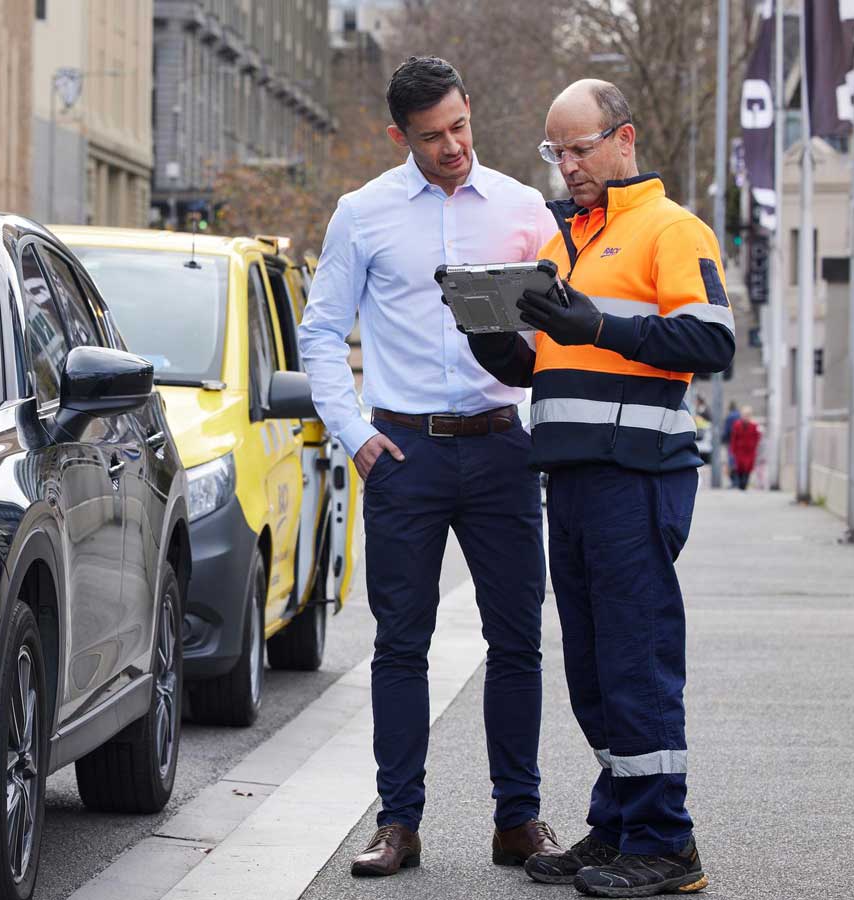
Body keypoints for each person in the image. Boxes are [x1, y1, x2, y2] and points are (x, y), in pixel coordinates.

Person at [469, 79, 734, 897]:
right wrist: (494, 345)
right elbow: (553, 364)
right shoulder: (561, 245)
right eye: (556, 151)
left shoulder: (670, 228)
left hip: (638, 477)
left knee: (635, 660)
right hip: (575, 477)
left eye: (580, 147)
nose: (568, 165)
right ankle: (620, 826)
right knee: (592, 667)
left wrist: (595, 324)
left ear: (625, 140)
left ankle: (667, 843)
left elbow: (710, 339)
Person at [298, 56, 561, 878]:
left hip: (500, 446)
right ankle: (398, 825)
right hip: (403, 453)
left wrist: (541, 427)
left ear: (469, 111)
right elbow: (320, 330)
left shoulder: (524, 209)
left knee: (517, 640)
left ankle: (517, 821)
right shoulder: (363, 214)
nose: (451, 146)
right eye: (431, 136)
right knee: (399, 645)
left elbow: (564, 330)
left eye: (459, 127)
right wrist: (353, 434)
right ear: (398, 136)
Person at [729, 406, 761, 490]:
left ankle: (745, 483)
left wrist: (754, 446)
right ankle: (740, 483)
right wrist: (732, 449)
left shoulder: (754, 426)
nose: (746, 417)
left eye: (748, 415)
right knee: (739, 468)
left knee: (748, 468)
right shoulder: (737, 425)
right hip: (739, 450)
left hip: (750, 450)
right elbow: (734, 438)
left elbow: (757, 437)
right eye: (745, 415)